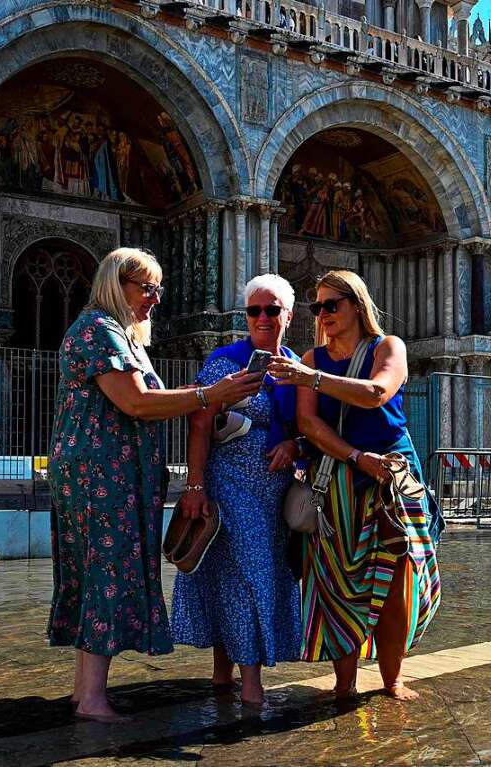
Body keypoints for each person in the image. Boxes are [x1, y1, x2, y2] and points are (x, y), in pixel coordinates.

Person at [47, 248, 264, 723]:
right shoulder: (100, 330)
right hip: (103, 475)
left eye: (158, 289)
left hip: (103, 472)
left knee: (93, 574)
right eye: (146, 288)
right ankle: (92, 699)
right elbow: (137, 403)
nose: (154, 298)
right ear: (115, 284)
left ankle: (84, 692)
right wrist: (210, 394)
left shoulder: (113, 332)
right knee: (105, 573)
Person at [268, 270, 441, 701]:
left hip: (391, 477)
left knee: (398, 577)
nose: (323, 314)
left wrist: (313, 381)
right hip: (339, 480)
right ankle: (344, 682)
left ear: (357, 305)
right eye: (317, 307)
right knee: (335, 581)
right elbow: (307, 422)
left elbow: (376, 393)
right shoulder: (312, 359)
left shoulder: (388, 347)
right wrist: (355, 456)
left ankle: (392, 680)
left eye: (332, 305)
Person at [171, 274, 303, 706]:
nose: (262, 317)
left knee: (233, 577)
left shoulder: (296, 367)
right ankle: (251, 682)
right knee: (247, 576)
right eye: (254, 310)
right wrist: (194, 485)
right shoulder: (225, 361)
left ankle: (221, 672)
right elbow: (199, 421)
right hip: (228, 484)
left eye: (272, 309)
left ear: (289, 314)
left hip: (275, 494)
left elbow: (309, 428)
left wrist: (293, 444)